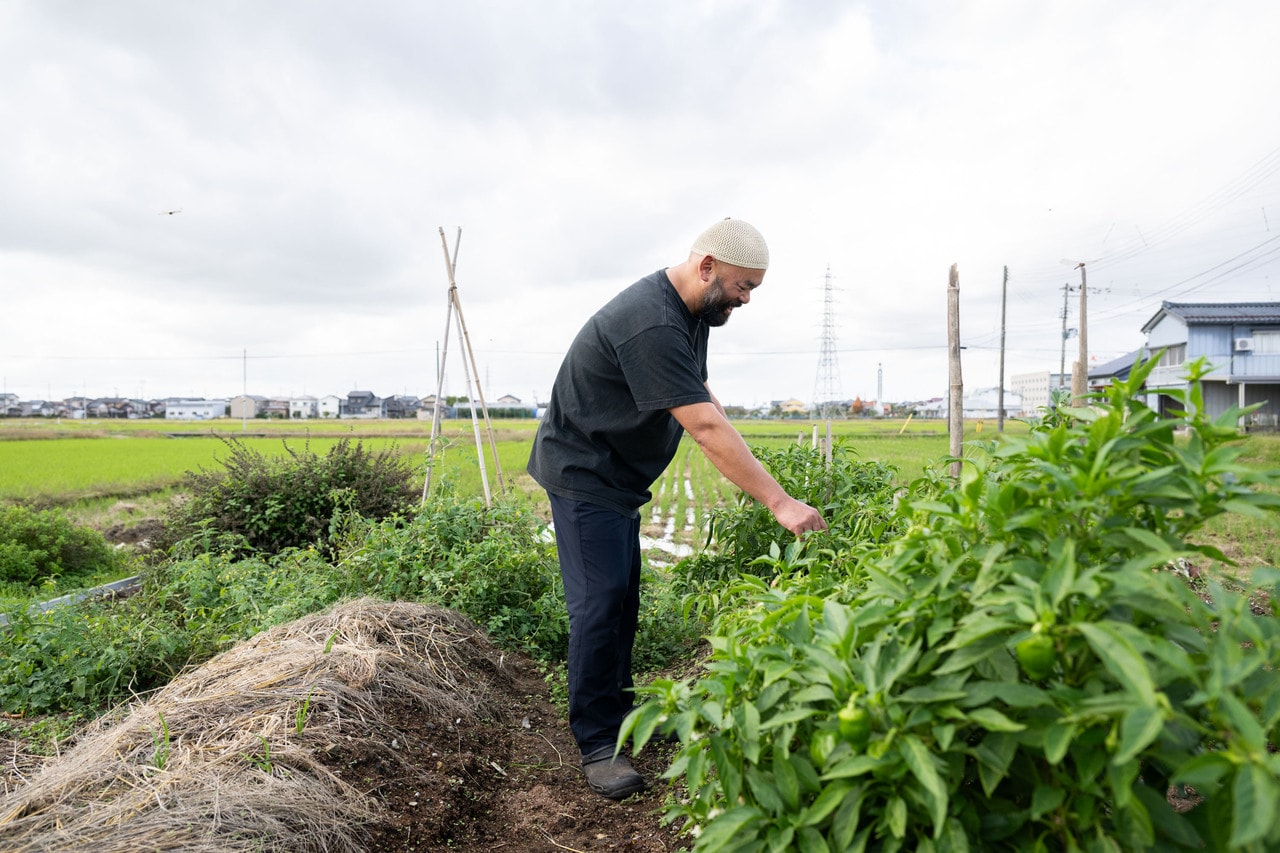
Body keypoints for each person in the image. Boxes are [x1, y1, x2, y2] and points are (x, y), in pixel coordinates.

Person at [526, 217, 827, 799]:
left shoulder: (695, 311)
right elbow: (706, 427)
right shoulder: (654, 322)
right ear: (708, 265)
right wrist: (780, 501)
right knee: (600, 602)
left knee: (623, 596)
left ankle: (620, 712)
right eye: (744, 287)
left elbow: (700, 393)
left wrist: (717, 412)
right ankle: (595, 742)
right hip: (585, 472)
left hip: (617, 476)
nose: (745, 300)